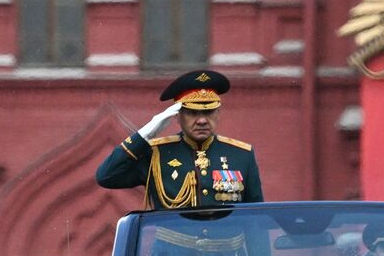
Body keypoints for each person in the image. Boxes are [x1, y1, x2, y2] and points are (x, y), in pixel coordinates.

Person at [96, 69, 264, 209]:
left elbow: (256, 218)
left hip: (226, 248)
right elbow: (106, 176)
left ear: (218, 113)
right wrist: (146, 133)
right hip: (173, 249)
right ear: (177, 116)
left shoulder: (241, 154)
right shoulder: (156, 154)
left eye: (209, 112)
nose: (202, 120)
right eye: (192, 113)